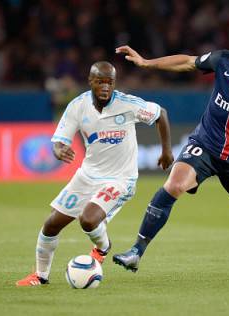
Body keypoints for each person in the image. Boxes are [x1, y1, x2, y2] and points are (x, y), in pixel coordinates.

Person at [113, 24, 229, 281]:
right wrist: (146, 63)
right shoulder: (224, 61)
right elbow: (187, 62)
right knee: (174, 184)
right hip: (206, 144)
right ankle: (136, 252)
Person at [16, 61, 174, 286]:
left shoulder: (127, 104)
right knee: (51, 225)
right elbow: (60, 141)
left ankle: (103, 246)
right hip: (87, 175)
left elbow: (161, 114)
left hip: (121, 179)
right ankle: (40, 276)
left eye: (110, 82)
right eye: (100, 81)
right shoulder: (77, 106)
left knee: (88, 220)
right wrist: (59, 149)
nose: (105, 87)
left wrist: (166, 150)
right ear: (91, 81)